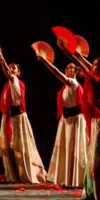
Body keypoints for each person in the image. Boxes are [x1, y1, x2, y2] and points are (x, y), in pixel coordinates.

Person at [57, 40, 100, 200]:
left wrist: (66, 50)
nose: (91, 65)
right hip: (95, 121)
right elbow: (82, 60)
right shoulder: (94, 75)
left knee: (95, 159)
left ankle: (95, 194)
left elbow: (78, 62)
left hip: (98, 121)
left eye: (95, 64)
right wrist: (69, 49)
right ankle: (90, 193)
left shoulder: (95, 78)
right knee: (92, 158)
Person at [36, 55, 87, 187]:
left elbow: (55, 72)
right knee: (66, 148)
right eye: (68, 68)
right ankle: (67, 178)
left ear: (76, 72)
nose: (70, 70)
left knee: (75, 149)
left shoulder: (73, 83)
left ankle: (77, 179)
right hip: (66, 121)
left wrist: (45, 61)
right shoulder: (65, 87)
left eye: (72, 68)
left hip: (76, 120)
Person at [0, 50, 47, 183]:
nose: (11, 69)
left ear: (18, 72)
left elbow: (7, 73)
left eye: (14, 68)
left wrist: (3, 62)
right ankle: (14, 174)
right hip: (9, 118)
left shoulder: (15, 80)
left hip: (18, 118)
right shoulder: (7, 85)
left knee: (21, 146)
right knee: (10, 147)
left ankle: (26, 174)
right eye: (10, 66)